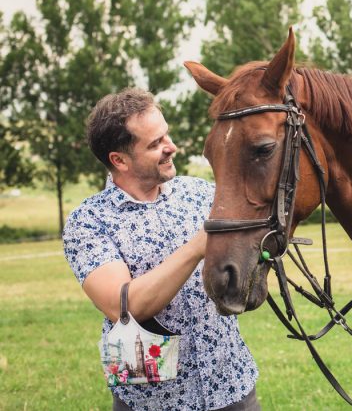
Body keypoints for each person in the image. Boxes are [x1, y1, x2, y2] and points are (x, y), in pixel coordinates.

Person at [62, 88, 260, 410]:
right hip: (151, 401)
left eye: (166, 134)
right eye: (155, 143)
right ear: (119, 160)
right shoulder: (88, 221)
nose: (172, 147)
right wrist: (197, 247)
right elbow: (124, 306)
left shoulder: (202, 194)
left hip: (232, 386)